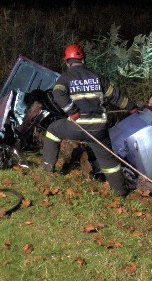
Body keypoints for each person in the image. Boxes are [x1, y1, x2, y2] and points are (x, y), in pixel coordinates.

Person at [42, 44, 138, 196]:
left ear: (67, 62)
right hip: (98, 128)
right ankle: (120, 192)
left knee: (53, 131)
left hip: (77, 126)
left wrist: (72, 111)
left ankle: (48, 169)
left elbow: (57, 94)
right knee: (108, 161)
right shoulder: (98, 77)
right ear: (84, 60)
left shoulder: (65, 78)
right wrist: (131, 107)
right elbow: (116, 96)